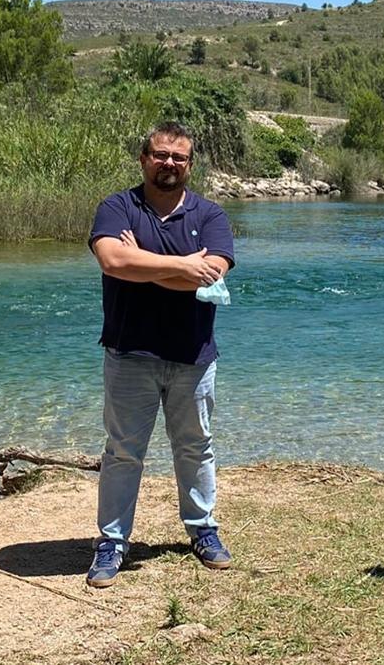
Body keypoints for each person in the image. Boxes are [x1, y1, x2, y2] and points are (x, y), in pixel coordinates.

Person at [86, 122, 236, 587]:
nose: (169, 163)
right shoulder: (116, 207)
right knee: (123, 452)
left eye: (179, 157)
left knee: (196, 447)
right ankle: (111, 542)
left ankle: (202, 529)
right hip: (130, 352)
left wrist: (144, 265)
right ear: (143, 157)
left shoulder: (210, 215)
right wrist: (181, 265)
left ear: (190, 165)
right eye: (160, 154)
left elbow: (211, 275)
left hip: (193, 355)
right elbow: (113, 261)